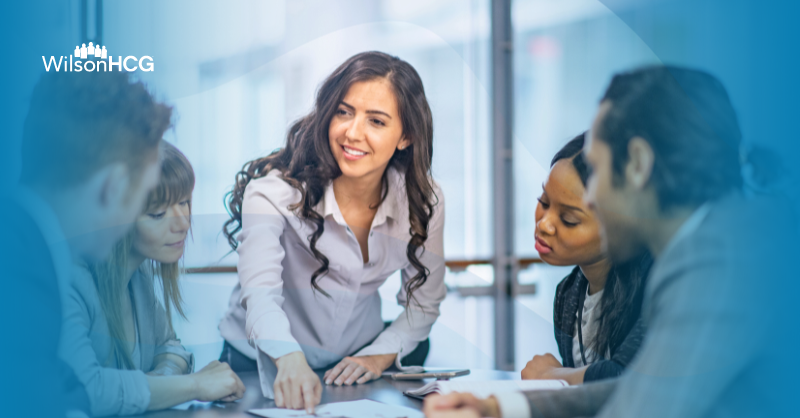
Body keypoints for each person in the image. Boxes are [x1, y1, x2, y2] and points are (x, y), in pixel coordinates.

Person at [423, 65, 795, 418]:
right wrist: (502, 409)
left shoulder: (720, 260)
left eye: (597, 170)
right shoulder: (724, 238)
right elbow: (642, 387)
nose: (591, 198)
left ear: (637, 164)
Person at [217, 51, 446, 413]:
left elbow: (425, 301)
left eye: (376, 121)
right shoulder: (274, 194)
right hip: (261, 361)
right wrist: (288, 357)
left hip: (354, 365)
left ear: (406, 137)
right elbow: (259, 295)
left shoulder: (422, 200)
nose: (352, 133)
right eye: (344, 112)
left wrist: (377, 356)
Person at [0, 71, 167, 417]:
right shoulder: (19, 271)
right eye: (145, 194)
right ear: (115, 187)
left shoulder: (32, 249)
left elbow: (57, 384)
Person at [59, 141, 245, 416]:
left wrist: (160, 381)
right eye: (158, 213)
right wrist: (193, 385)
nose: (183, 223)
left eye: (184, 202)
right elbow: (86, 388)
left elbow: (172, 347)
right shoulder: (71, 281)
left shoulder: (139, 273)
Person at [522, 133, 652, 385]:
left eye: (569, 219)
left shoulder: (655, 285)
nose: (544, 224)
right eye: (544, 202)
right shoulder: (568, 294)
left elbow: (628, 380)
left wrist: (550, 375)